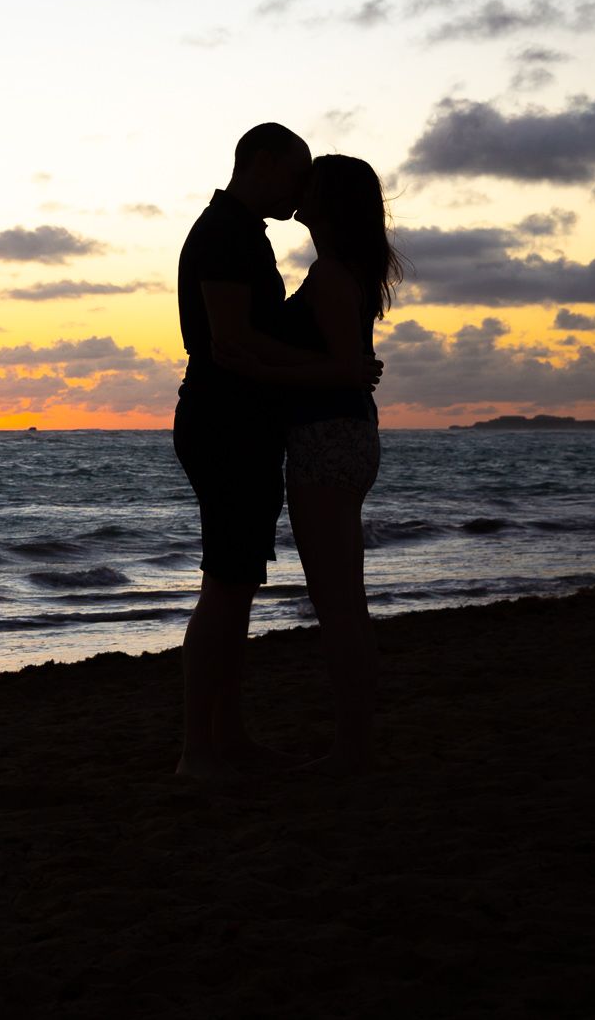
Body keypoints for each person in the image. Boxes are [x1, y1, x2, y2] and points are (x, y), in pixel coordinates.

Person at [171, 124, 381, 786]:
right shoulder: (232, 237)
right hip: (249, 430)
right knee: (237, 587)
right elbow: (232, 348)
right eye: (296, 175)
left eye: (311, 184)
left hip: (297, 435)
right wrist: (339, 368)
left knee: (252, 589)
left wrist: (338, 368)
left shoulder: (267, 247)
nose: (299, 191)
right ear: (261, 163)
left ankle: (224, 744)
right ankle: (207, 748)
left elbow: (243, 349)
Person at [277, 154, 404, 775]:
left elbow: (341, 366)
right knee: (345, 600)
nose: (299, 193)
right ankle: (357, 743)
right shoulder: (346, 272)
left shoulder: (330, 274)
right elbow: (350, 366)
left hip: (327, 436)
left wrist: (258, 366)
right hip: (348, 436)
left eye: (311, 186)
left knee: (338, 605)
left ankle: (352, 750)